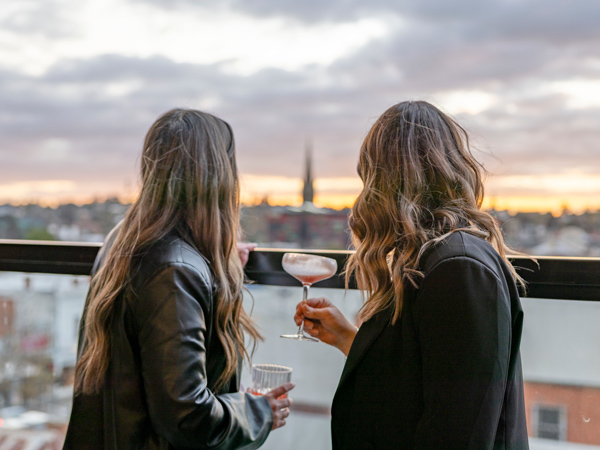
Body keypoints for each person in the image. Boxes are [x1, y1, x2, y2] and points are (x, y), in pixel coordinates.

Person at [295, 100, 529, 449]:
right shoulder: (435, 259)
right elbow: (422, 382)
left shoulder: (459, 268)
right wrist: (349, 338)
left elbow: (458, 434)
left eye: (370, 177)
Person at [63, 108, 294, 450]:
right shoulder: (174, 272)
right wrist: (259, 411)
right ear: (219, 178)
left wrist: (217, 265)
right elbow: (188, 417)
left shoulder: (123, 242)